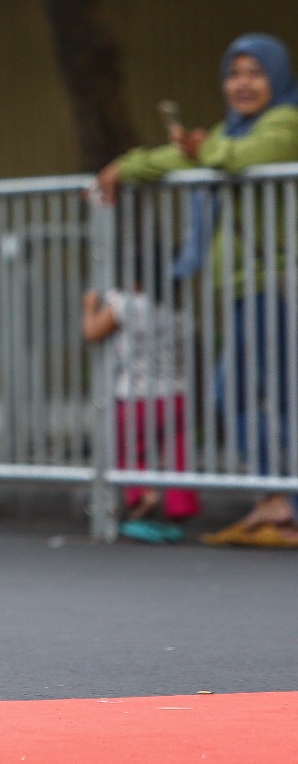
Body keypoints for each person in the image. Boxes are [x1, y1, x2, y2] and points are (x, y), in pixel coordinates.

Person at [96, 33, 298, 548]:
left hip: (274, 286)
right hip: (250, 288)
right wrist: (127, 166)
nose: (243, 83)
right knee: (269, 395)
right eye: (234, 73)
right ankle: (276, 504)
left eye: (255, 71)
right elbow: (188, 158)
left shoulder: (285, 122)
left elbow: (244, 155)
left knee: (244, 394)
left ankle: (280, 501)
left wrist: (204, 148)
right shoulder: (227, 136)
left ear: (277, 76)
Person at [83, 252, 201, 542]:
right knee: (178, 455)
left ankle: (143, 494)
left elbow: (93, 332)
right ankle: (180, 505)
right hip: (177, 397)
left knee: (130, 450)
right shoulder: (180, 312)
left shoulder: (127, 304)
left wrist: (89, 306)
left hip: (137, 396)